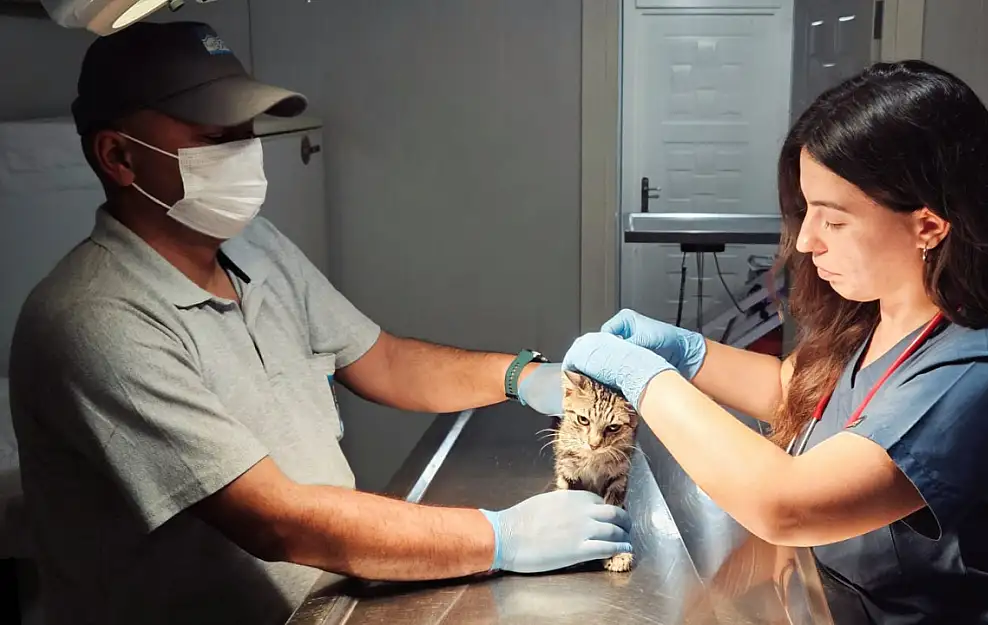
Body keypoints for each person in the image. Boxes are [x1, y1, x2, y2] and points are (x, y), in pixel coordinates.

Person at [8, 21, 628, 625]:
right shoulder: (96, 321)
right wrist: (503, 537)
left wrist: (527, 376)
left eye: (246, 130)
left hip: (328, 596)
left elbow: (380, 359)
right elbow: (276, 518)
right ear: (118, 155)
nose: (245, 150)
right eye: (216, 135)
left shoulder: (255, 246)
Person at [564, 60, 988, 624]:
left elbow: (787, 505)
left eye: (834, 220)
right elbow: (799, 392)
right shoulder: (880, 314)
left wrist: (643, 379)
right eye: (806, 212)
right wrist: (685, 354)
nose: (806, 241)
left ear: (929, 224)